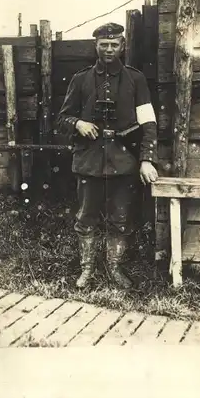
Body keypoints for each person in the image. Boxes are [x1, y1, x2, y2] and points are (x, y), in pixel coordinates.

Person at [57, 22, 158, 289]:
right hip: (89, 160)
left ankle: (115, 268)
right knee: (85, 218)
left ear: (123, 46)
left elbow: (148, 122)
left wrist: (146, 159)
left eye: (114, 44)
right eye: (104, 45)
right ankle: (86, 271)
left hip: (124, 160)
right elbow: (62, 118)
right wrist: (78, 124)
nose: (109, 49)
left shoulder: (136, 79)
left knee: (121, 219)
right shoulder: (80, 80)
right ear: (96, 46)